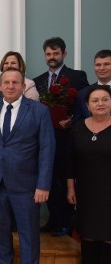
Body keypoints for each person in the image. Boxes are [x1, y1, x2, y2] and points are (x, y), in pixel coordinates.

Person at [0, 68, 55, 264]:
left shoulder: (39, 111)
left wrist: (43, 184)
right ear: (0, 86)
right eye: (6, 82)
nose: (11, 86)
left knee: (29, 235)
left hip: (27, 184)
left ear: (23, 86)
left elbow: (47, 149)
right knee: (1, 232)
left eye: (15, 82)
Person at [33, 37, 89, 237]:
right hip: (44, 140)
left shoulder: (77, 76)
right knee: (47, 178)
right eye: (48, 54)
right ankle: (53, 220)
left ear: (64, 54)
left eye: (56, 53)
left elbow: (85, 107)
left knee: (64, 179)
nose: (52, 57)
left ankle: (66, 221)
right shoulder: (37, 81)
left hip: (67, 138)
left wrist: (72, 120)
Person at [67, 85, 111, 264]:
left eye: (105, 99)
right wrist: (70, 188)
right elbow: (70, 162)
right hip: (85, 190)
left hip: (109, 192)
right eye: (95, 100)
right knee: (89, 235)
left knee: (108, 237)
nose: (100, 104)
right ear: (87, 105)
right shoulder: (77, 128)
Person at [75, 50, 111, 125]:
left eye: (106, 64)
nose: (102, 68)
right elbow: (78, 124)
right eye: (98, 65)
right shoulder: (82, 94)